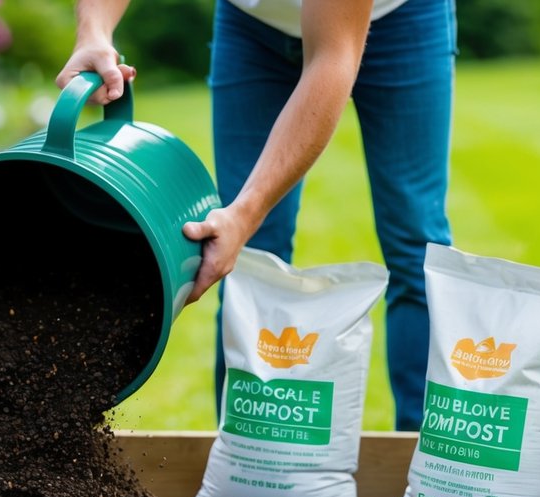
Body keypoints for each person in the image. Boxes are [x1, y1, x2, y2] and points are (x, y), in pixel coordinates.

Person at [57, 0, 456, 430]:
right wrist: (93, 31)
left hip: (400, 23)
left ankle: (420, 457)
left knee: (415, 242)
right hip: (252, 26)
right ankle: (245, 461)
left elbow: (332, 56)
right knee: (244, 263)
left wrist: (247, 212)